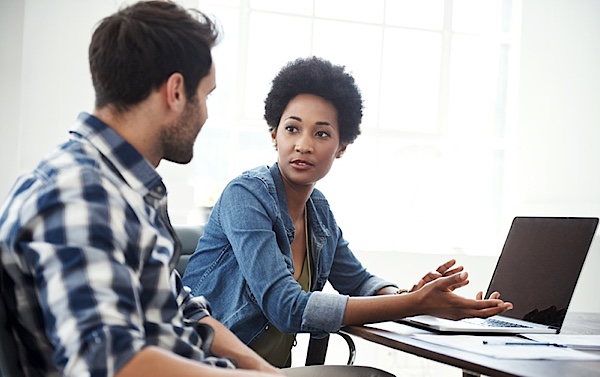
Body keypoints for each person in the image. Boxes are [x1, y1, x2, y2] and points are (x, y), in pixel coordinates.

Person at [0, 2, 380, 377]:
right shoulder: (79, 195)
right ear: (177, 92)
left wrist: (267, 373)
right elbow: (111, 363)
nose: (206, 114)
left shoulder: (127, 192)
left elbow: (188, 313)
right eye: (207, 95)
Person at [182, 56, 513, 368]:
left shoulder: (319, 212)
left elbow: (359, 281)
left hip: (268, 372)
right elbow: (286, 308)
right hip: (203, 366)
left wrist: (408, 294)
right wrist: (416, 304)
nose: (304, 145)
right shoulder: (246, 195)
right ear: (274, 135)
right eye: (292, 129)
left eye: (322, 133)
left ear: (341, 148)